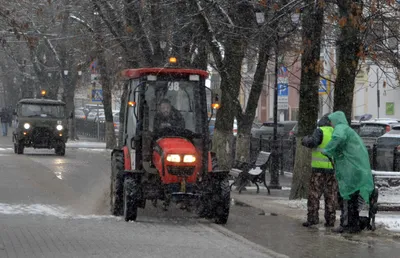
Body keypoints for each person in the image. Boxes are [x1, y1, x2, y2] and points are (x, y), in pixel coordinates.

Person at [322, 111, 374, 233]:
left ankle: (347, 225)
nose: (331, 124)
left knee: (347, 196)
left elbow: (338, 138)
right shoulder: (348, 130)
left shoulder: (341, 128)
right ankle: (354, 223)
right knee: (352, 198)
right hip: (357, 168)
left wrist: (328, 150)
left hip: (351, 169)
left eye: (331, 121)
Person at [301, 113, 337, 228]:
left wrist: (305, 139)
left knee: (314, 195)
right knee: (330, 196)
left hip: (318, 170)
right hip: (331, 169)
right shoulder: (335, 132)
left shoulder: (319, 131)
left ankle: (312, 218)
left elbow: (313, 143)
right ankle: (330, 220)